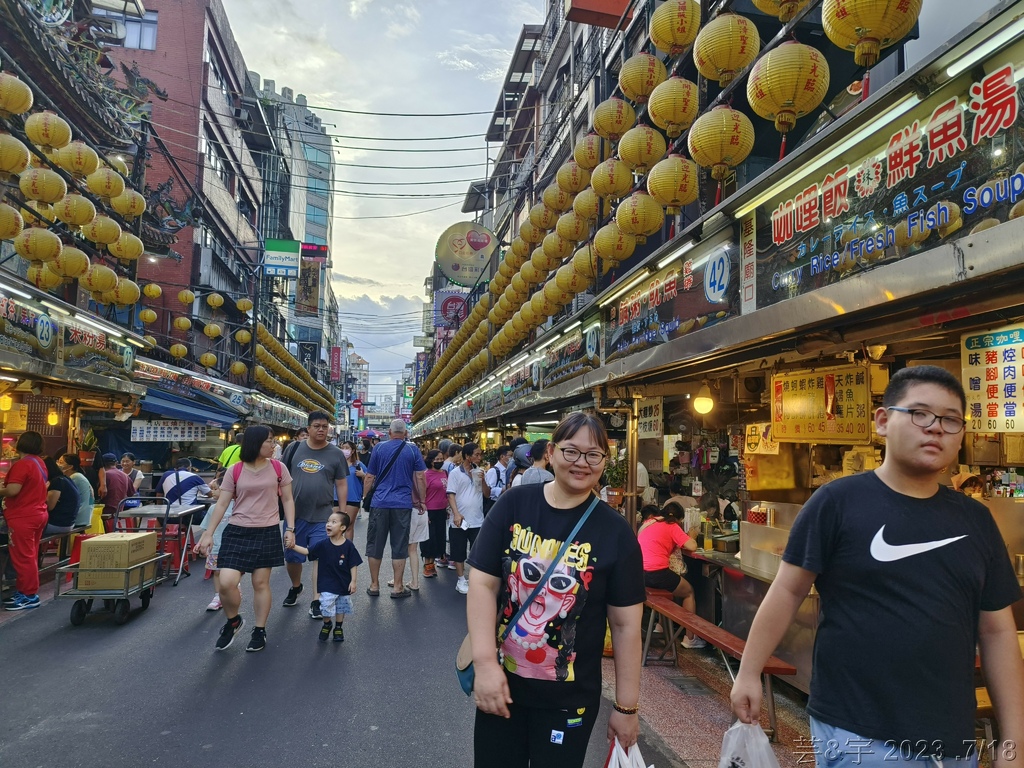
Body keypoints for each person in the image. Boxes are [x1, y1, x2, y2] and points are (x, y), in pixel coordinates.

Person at [730, 366, 1024, 764]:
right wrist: (749, 671)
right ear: (883, 422)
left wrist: (1014, 741)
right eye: (920, 413)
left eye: (950, 420)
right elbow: (788, 590)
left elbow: (997, 632)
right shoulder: (837, 502)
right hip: (858, 728)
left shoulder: (976, 521)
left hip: (951, 738)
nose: (935, 428)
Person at [467, 413, 646, 767]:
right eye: (571, 451)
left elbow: (626, 626)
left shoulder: (616, 532)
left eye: (593, 455)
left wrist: (627, 707)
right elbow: (483, 584)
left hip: (570, 700)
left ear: (604, 462)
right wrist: (485, 665)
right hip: (502, 688)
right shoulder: (514, 505)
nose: (581, 463)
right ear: (551, 452)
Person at [195, 425, 296, 652]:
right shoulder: (235, 470)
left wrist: (290, 528)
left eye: (273, 441)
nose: (274, 445)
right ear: (255, 443)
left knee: (260, 583)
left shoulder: (279, 468)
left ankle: (259, 630)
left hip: (267, 530)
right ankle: (233, 621)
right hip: (237, 530)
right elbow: (222, 503)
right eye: (269, 441)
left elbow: (288, 500)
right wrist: (208, 533)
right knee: (226, 582)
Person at [282, 411, 348, 621]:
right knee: (292, 557)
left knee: (319, 558)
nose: (321, 430)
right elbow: (281, 477)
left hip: (323, 515)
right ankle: (296, 586)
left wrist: (342, 512)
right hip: (295, 516)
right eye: (317, 426)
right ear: (308, 428)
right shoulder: (293, 449)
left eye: (325, 426)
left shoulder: (335, 453)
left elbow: (341, 483)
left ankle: (316, 601)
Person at [363, 419, 426, 599]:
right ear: (406, 434)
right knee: (399, 546)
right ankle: (398, 587)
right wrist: (422, 500)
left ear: (389, 433)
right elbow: (420, 477)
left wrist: (365, 496)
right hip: (402, 504)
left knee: (375, 545)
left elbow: (369, 476)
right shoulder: (413, 450)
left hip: (380, 503)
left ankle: (374, 585)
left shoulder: (379, 449)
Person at [637, 501, 705, 648]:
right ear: (679, 519)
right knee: (688, 592)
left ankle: (660, 626)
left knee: (668, 589)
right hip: (657, 574)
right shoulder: (672, 526)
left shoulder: (650, 522)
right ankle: (690, 637)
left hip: (640, 574)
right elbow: (692, 546)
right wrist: (691, 535)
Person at [286, 510, 362, 643]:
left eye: (333, 522)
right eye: (328, 521)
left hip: (343, 582)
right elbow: (308, 551)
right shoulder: (323, 544)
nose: (329, 524)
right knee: (325, 605)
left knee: (341, 606)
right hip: (326, 582)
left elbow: (353, 564)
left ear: (342, 528)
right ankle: (327, 623)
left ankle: (338, 627)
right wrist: (293, 546)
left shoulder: (348, 546)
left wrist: (353, 581)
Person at [0, 432, 49, 611]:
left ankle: (29, 595)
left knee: (23, 557)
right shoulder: (39, 463)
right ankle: (26, 592)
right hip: (37, 514)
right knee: (30, 555)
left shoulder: (23, 464)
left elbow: (13, 490)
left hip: (23, 516)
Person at [446, 442, 489, 595]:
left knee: (477, 550)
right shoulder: (455, 473)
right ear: (467, 456)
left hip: (477, 519)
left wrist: (483, 480)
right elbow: (451, 494)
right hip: (460, 520)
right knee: (458, 550)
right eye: (476, 455)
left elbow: (486, 494)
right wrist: (456, 514)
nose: (479, 457)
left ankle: (473, 578)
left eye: (480, 454)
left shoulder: (480, 472)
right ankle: (460, 580)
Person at [421, 448, 448, 578]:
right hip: (430, 511)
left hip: (442, 510)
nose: (440, 461)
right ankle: (428, 566)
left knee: (439, 538)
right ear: (431, 461)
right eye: (437, 459)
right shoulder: (426, 475)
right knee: (429, 540)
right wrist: (424, 512)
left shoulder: (445, 473)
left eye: (441, 459)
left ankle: (433, 565)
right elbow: (421, 494)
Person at [43, 456, 79, 535]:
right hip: (67, 523)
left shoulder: (57, 481)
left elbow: (49, 506)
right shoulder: (65, 479)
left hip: (58, 524)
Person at [57, 453, 95, 528]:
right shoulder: (78, 476)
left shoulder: (75, 477)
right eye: (58, 461)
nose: (57, 464)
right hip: (84, 517)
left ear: (70, 466)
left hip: (78, 518)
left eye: (61, 462)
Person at [340, 440, 366, 538]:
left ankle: (347, 551)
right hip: (336, 498)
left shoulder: (358, 465)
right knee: (336, 526)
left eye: (347, 448)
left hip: (352, 498)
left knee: (348, 526)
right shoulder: (337, 463)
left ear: (353, 451)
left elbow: (369, 477)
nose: (344, 450)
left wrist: (363, 475)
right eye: (342, 448)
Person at [99, 453, 131, 521]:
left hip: (104, 512)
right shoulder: (125, 475)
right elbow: (130, 494)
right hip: (118, 513)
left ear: (102, 464)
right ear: (116, 463)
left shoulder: (104, 476)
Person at [483, 445, 510, 516]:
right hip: (494, 504)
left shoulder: (508, 471)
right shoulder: (493, 471)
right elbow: (488, 492)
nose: (511, 459)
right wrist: (503, 489)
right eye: (510, 456)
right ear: (502, 457)